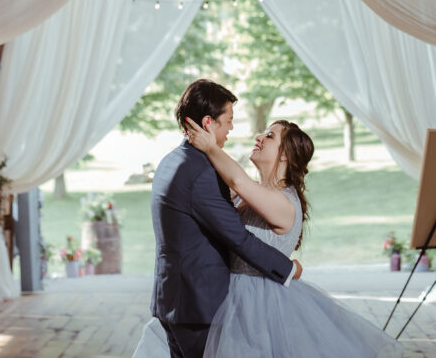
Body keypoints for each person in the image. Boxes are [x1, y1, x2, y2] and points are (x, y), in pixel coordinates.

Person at [134, 103, 405, 357]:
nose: (259, 138)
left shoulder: (284, 202)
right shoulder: (250, 195)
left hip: (259, 306)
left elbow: (237, 180)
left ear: (285, 154)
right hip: (228, 297)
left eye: (270, 136)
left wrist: (211, 147)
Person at [146, 80, 302, 358]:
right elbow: (237, 237)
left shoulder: (173, 160)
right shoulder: (200, 173)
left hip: (174, 297)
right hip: (197, 304)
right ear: (208, 123)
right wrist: (287, 270)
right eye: (228, 121)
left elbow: (237, 188)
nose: (231, 128)